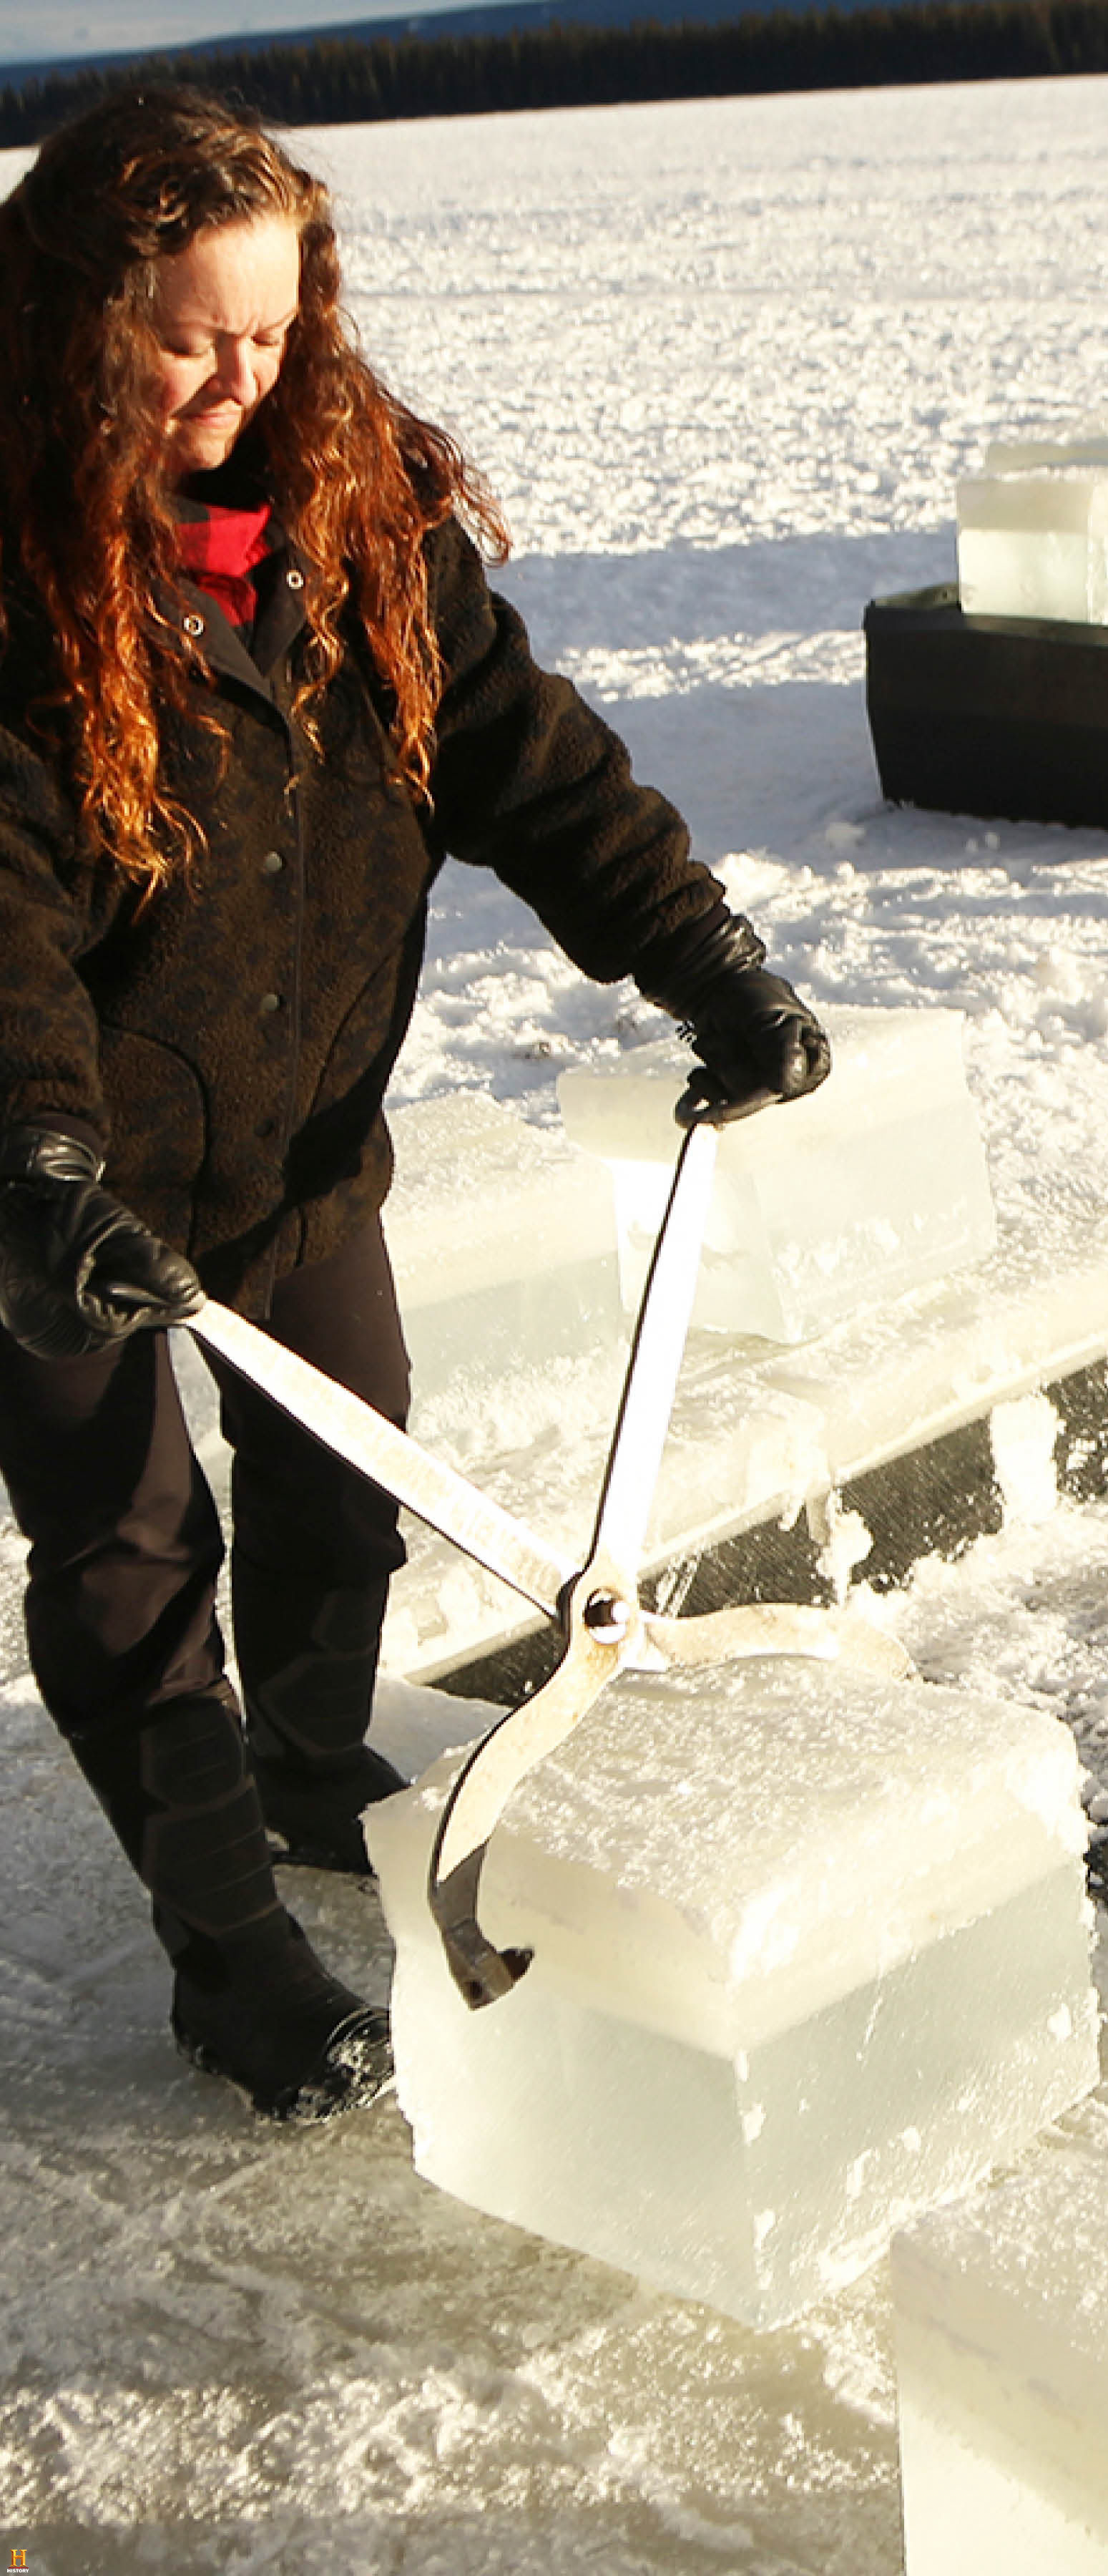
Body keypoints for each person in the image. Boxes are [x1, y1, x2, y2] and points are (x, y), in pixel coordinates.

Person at [0, 87, 830, 2126]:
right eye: (188, 335)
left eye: (271, 331)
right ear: (86, 318)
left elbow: (527, 758)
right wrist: (40, 1175)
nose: (238, 377)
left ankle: (298, 1758)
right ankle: (232, 1962)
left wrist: (697, 953)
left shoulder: (361, 520)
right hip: (57, 1192)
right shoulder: (21, 586)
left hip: (289, 1147)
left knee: (338, 1482)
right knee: (128, 1562)